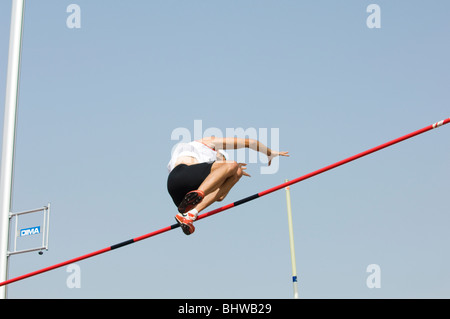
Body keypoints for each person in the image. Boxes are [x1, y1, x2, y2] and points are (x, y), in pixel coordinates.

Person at [167, 137, 289, 235]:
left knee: (236, 171)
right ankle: (198, 195)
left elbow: (220, 197)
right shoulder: (207, 143)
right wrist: (269, 152)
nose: (223, 161)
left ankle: (190, 215)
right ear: (219, 153)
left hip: (177, 190)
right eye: (223, 158)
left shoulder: (203, 167)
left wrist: (234, 176)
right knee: (234, 166)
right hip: (183, 174)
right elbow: (250, 142)